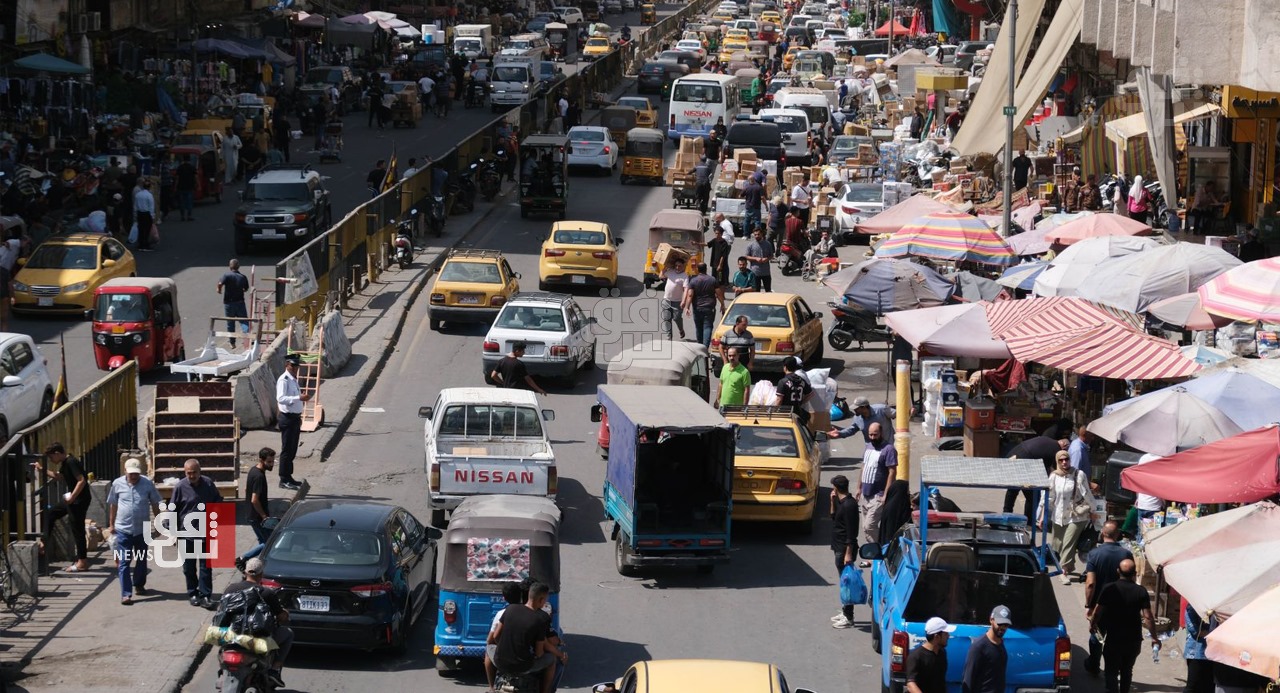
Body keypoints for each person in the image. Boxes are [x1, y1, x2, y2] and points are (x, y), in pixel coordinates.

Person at [1090, 559, 1158, 693]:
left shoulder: (1109, 588)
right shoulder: (1141, 591)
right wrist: (1155, 637)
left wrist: (1093, 624)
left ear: (1118, 571)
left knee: (1111, 671)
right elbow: (1148, 616)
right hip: (1133, 640)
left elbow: (1097, 611)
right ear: (1134, 573)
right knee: (1127, 670)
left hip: (1114, 638)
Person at [224, 557, 293, 689]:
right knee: (288, 634)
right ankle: (275, 670)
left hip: (231, 637)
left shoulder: (230, 589)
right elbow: (281, 617)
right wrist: (285, 613)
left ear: (245, 572)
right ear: (261, 574)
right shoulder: (266, 593)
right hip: (256, 639)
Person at [491, 582, 565, 693]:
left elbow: (495, 636)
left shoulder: (510, 609)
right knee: (551, 660)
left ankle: (492, 687)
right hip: (523, 666)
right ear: (541, 600)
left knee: (489, 649)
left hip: (500, 662)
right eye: (545, 600)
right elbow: (539, 653)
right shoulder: (540, 619)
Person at [107, 457, 161, 605]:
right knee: (124, 562)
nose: (134, 476)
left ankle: (139, 584)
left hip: (142, 530)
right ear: (125, 471)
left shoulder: (147, 484)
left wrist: (158, 524)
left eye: (136, 473)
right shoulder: (117, 484)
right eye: (131, 473)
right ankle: (126, 594)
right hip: (123, 530)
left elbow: (155, 503)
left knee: (141, 559)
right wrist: (111, 524)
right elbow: (113, 504)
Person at [1084, 521, 1134, 675]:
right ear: (1117, 534)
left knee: (1097, 634)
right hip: (1121, 604)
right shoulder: (1126, 554)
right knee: (1116, 637)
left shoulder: (1094, 554)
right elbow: (1131, 580)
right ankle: (1113, 668)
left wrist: (1088, 605)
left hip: (1099, 604)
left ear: (1102, 533)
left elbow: (1090, 583)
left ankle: (1094, 664)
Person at [35, 442, 91, 573]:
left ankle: (82, 562)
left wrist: (72, 497)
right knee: (52, 513)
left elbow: (81, 480)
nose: (51, 460)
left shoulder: (71, 462)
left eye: (51, 457)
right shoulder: (65, 463)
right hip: (73, 499)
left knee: (77, 529)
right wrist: (42, 469)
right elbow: (59, 476)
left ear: (57, 453)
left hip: (78, 501)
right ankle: (44, 542)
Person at [172, 459, 221, 609]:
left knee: (206, 567)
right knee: (189, 567)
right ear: (185, 472)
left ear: (200, 471)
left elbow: (217, 501)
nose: (192, 476)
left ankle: (206, 595)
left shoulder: (208, 484)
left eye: (194, 472)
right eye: (189, 473)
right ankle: (193, 593)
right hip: (186, 534)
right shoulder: (180, 487)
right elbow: (173, 509)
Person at [1042, 450, 1094, 585]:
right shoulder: (1054, 476)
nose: (1064, 462)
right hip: (1058, 515)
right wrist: (1041, 516)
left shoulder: (1079, 474)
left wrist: (1094, 510)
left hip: (1077, 516)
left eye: (1066, 459)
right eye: (1061, 460)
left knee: (1068, 542)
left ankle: (1063, 572)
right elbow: (1048, 497)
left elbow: (1087, 493)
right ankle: (1069, 566)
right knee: (1057, 544)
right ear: (1057, 461)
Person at [853, 423, 897, 567]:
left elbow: (892, 472)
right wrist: (858, 488)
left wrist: (886, 494)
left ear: (881, 433)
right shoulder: (868, 447)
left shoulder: (888, 449)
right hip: (865, 495)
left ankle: (880, 552)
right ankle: (873, 555)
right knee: (865, 528)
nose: (872, 437)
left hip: (878, 495)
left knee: (869, 526)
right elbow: (863, 467)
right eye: (870, 434)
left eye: (875, 434)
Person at [1001, 435, 1069, 519]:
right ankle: (1029, 520)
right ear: (1064, 446)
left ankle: (1006, 514)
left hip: (1015, 454)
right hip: (1024, 461)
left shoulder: (1048, 440)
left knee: (1013, 489)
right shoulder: (1056, 449)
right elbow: (1047, 470)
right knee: (1032, 496)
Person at [235, 447, 277, 568]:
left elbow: (246, 489)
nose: (272, 464)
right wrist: (264, 516)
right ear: (261, 460)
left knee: (263, 541)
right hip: (257, 516)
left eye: (272, 461)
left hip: (251, 514)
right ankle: (243, 559)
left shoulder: (253, 470)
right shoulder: (259, 476)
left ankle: (259, 565)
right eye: (269, 462)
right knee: (269, 543)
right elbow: (254, 499)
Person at [828, 474, 859, 629]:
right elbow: (833, 517)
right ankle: (845, 611)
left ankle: (849, 617)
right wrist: (831, 501)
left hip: (844, 549)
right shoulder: (840, 502)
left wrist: (848, 553)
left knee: (846, 584)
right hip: (838, 546)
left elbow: (852, 533)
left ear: (836, 487)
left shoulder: (849, 506)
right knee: (844, 582)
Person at [276, 354, 309, 490]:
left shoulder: (293, 379)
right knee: (287, 449)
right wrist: (298, 398)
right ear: (287, 365)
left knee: (293, 449)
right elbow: (280, 398)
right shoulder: (284, 380)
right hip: (287, 418)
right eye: (292, 366)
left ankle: (289, 476)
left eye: (296, 366)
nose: (295, 368)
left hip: (294, 418)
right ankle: (283, 479)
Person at [485, 582, 527, 690]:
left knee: (488, 650)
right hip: (525, 657)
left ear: (504, 598)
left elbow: (491, 638)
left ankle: (491, 687)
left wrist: (501, 645)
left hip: (504, 657)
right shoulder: (530, 613)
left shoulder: (501, 613)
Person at [962, 606, 1011, 693]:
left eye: (1006, 625)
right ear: (991, 620)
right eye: (1000, 624)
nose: (1003, 627)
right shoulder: (979, 647)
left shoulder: (1001, 646)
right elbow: (968, 680)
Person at [907, 617, 956, 693]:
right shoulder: (916, 657)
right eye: (946, 634)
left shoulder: (942, 653)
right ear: (937, 637)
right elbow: (911, 685)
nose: (948, 636)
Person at [683, 263, 722, 348]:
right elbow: (719, 293)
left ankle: (699, 347)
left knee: (699, 327)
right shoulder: (712, 280)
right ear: (706, 269)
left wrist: (687, 307)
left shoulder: (693, 280)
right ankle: (705, 348)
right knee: (708, 327)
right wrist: (722, 304)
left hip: (697, 308)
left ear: (697, 269)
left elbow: (690, 295)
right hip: (709, 308)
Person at [828, 397, 896, 445]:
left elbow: (899, 415)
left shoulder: (881, 409)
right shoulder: (857, 418)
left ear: (864, 407)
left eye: (856, 408)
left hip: (888, 446)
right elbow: (851, 430)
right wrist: (839, 433)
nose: (854, 410)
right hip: (871, 448)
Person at [218, 259, 251, 348]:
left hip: (229, 303)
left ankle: (232, 343)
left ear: (230, 266)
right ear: (238, 267)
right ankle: (247, 339)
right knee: (244, 322)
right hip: (240, 303)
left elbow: (220, 283)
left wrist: (219, 290)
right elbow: (246, 289)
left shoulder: (226, 275)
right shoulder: (243, 277)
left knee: (230, 323)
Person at [1182, 606, 1216, 693]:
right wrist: (1214, 634)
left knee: (1209, 686)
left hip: (1213, 653)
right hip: (1196, 652)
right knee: (1193, 685)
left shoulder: (1217, 607)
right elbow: (1194, 630)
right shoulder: (1193, 606)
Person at [774, 357, 812, 426]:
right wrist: (801, 402)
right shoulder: (801, 380)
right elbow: (811, 394)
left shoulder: (783, 382)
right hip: (798, 413)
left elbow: (779, 400)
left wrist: (775, 412)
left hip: (786, 414)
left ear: (785, 367)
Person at [659, 256, 689, 340]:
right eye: (676, 265)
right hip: (666, 300)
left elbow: (686, 290)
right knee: (666, 319)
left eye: (679, 266)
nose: (677, 267)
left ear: (683, 266)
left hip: (677, 302)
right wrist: (666, 267)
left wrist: (683, 301)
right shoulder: (670, 271)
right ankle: (669, 337)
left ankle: (681, 330)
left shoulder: (685, 276)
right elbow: (661, 276)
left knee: (677, 318)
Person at [878, 479, 912, 546]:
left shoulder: (888, 506)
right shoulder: (899, 507)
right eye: (907, 491)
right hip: (896, 545)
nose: (909, 493)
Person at [744, 227, 774, 292]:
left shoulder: (768, 244)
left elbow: (771, 255)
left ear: (762, 234)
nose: (756, 236)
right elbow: (746, 256)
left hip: (766, 272)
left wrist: (767, 259)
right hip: (755, 272)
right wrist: (756, 259)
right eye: (755, 235)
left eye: (758, 234)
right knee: (756, 291)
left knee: (768, 291)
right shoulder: (750, 245)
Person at [1068, 425, 1097, 491]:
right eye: (1091, 435)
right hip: (1078, 489)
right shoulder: (1078, 450)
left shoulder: (1080, 445)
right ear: (1084, 434)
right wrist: (1090, 484)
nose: (1093, 438)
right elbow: (1074, 473)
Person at [134, 179, 157, 252]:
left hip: (139, 213)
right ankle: (146, 244)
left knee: (141, 229)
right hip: (147, 214)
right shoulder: (149, 195)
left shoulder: (138, 194)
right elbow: (151, 207)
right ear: (149, 187)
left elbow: (135, 205)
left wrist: (135, 214)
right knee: (147, 230)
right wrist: (152, 216)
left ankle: (140, 244)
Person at [176, 155, 197, 222]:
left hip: (181, 187)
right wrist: (197, 184)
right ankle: (189, 216)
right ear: (189, 160)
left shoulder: (180, 167)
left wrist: (175, 186)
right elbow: (195, 177)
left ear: (183, 160)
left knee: (182, 202)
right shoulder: (192, 167)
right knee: (189, 202)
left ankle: (182, 216)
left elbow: (177, 178)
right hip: (190, 187)